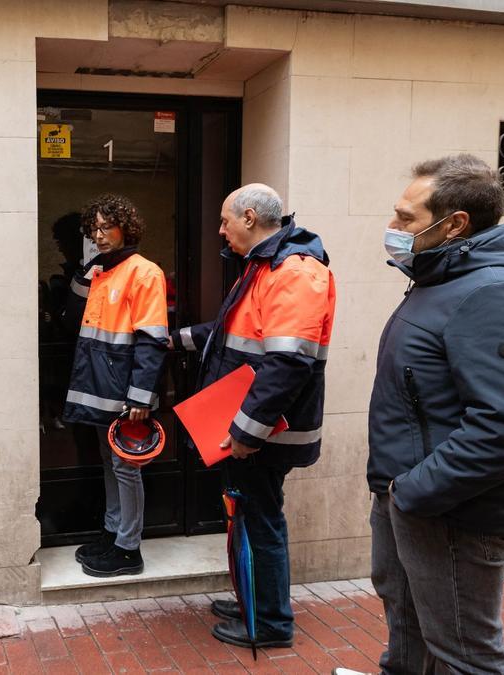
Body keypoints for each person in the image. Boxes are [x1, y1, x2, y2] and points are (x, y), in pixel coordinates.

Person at [338, 154, 504, 675]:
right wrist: (396, 496)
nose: (393, 227)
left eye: (406, 218)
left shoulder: (499, 292)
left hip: (451, 512)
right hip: (410, 501)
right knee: (410, 636)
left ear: (454, 224)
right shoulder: (441, 278)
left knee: (464, 654)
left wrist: (412, 493)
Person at [171, 183, 335, 649]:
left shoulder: (294, 271)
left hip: (261, 434)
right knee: (247, 515)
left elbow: (288, 364)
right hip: (248, 427)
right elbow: (231, 333)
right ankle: (253, 599)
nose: (221, 232)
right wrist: (177, 338)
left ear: (248, 217)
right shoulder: (264, 266)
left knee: (261, 520)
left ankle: (270, 623)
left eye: (225, 222)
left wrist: (245, 431)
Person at [62, 194, 169, 577]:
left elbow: (152, 339)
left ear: (127, 228)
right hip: (98, 385)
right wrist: (84, 272)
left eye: (108, 227)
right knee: (110, 463)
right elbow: (71, 317)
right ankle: (113, 533)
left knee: (126, 467)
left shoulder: (145, 272)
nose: (100, 235)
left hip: (124, 392)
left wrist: (140, 397)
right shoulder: (100, 271)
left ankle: (128, 548)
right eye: (94, 229)